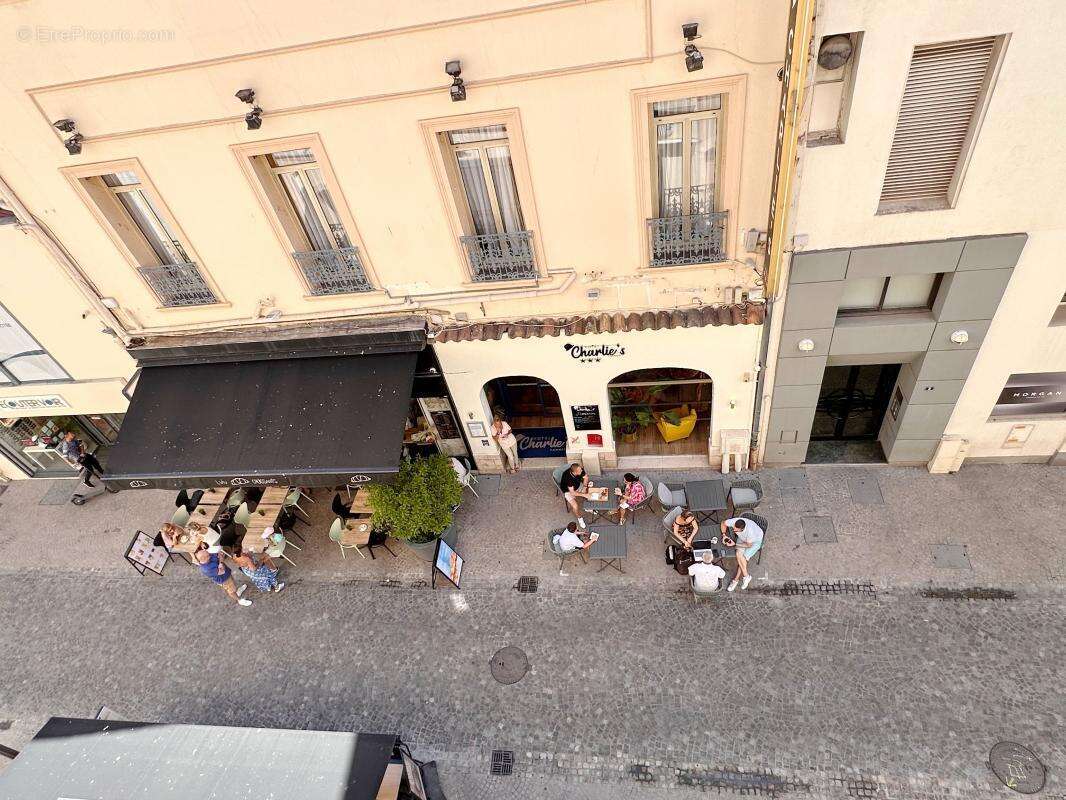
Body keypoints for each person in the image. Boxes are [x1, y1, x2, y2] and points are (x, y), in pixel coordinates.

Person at [193, 541, 251, 606]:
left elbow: (218, 554)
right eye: (208, 555)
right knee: (231, 591)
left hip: (227, 574)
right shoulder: (207, 569)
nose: (210, 555)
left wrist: (220, 555)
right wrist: (221, 560)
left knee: (233, 584)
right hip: (224, 580)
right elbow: (221, 570)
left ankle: (237, 591)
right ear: (204, 559)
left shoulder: (207, 556)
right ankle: (239, 600)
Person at [722, 516, 764, 591]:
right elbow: (723, 523)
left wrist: (734, 544)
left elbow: (749, 545)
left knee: (744, 558)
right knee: (739, 554)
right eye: (734, 528)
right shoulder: (735, 522)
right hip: (743, 539)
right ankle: (746, 576)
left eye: (736, 530)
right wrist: (724, 535)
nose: (733, 530)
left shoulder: (750, 533)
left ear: (742, 529)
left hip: (754, 541)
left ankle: (735, 580)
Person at [559, 463, 591, 529]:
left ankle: (588, 507)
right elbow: (572, 493)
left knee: (589, 491)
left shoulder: (580, 470)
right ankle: (579, 518)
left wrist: (585, 487)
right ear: (575, 472)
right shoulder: (568, 478)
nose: (582, 471)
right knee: (575, 506)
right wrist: (584, 495)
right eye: (580, 470)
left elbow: (586, 477)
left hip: (578, 485)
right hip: (568, 491)